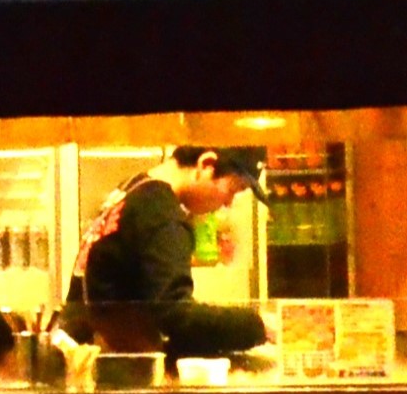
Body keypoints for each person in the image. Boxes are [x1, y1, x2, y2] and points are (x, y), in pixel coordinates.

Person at [67, 147, 273, 360]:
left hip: (91, 357)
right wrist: (256, 326)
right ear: (205, 165)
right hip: (122, 371)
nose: (228, 203)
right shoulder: (161, 216)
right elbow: (176, 316)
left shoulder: (133, 189)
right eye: (234, 189)